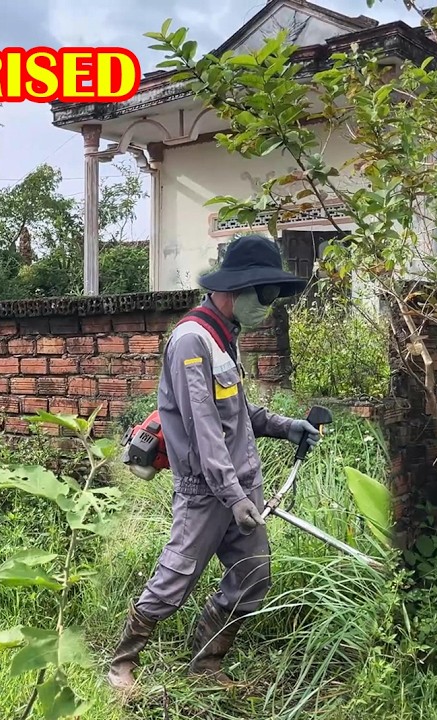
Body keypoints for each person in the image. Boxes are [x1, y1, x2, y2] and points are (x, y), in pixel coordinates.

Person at [107, 234, 321, 690]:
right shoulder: (191, 340)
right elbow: (204, 429)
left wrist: (286, 426)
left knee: (253, 577)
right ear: (238, 289)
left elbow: (236, 412)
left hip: (240, 487)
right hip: (207, 492)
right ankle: (121, 665)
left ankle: (206, 663)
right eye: (265, 294)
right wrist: (231, 495)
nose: (270, 305)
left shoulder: (227, 338)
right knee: (175, 580)